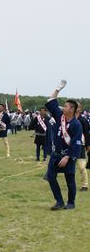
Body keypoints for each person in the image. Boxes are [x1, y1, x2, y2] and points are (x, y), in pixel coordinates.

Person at [45, 80, 83, 210]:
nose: (63, 107)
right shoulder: (59, 116)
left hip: (68, 157)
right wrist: (57, 89)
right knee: (50, 177)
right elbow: (51, 101)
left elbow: (76, 143)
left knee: (70, 179)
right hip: (56, 155)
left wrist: (67, 157)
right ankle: (59, 201)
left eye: (66, 106)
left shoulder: (76, 125)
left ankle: (71, 202)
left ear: (72, 109)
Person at [75, 102, 89, 191]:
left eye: (78, 106)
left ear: (80, 108)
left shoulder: (83, 120)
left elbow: (87, 134)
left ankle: (85, 185)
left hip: (80, 145)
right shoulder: (68, 119)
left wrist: (88, 145)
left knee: (81, 166)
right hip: (69, 146)